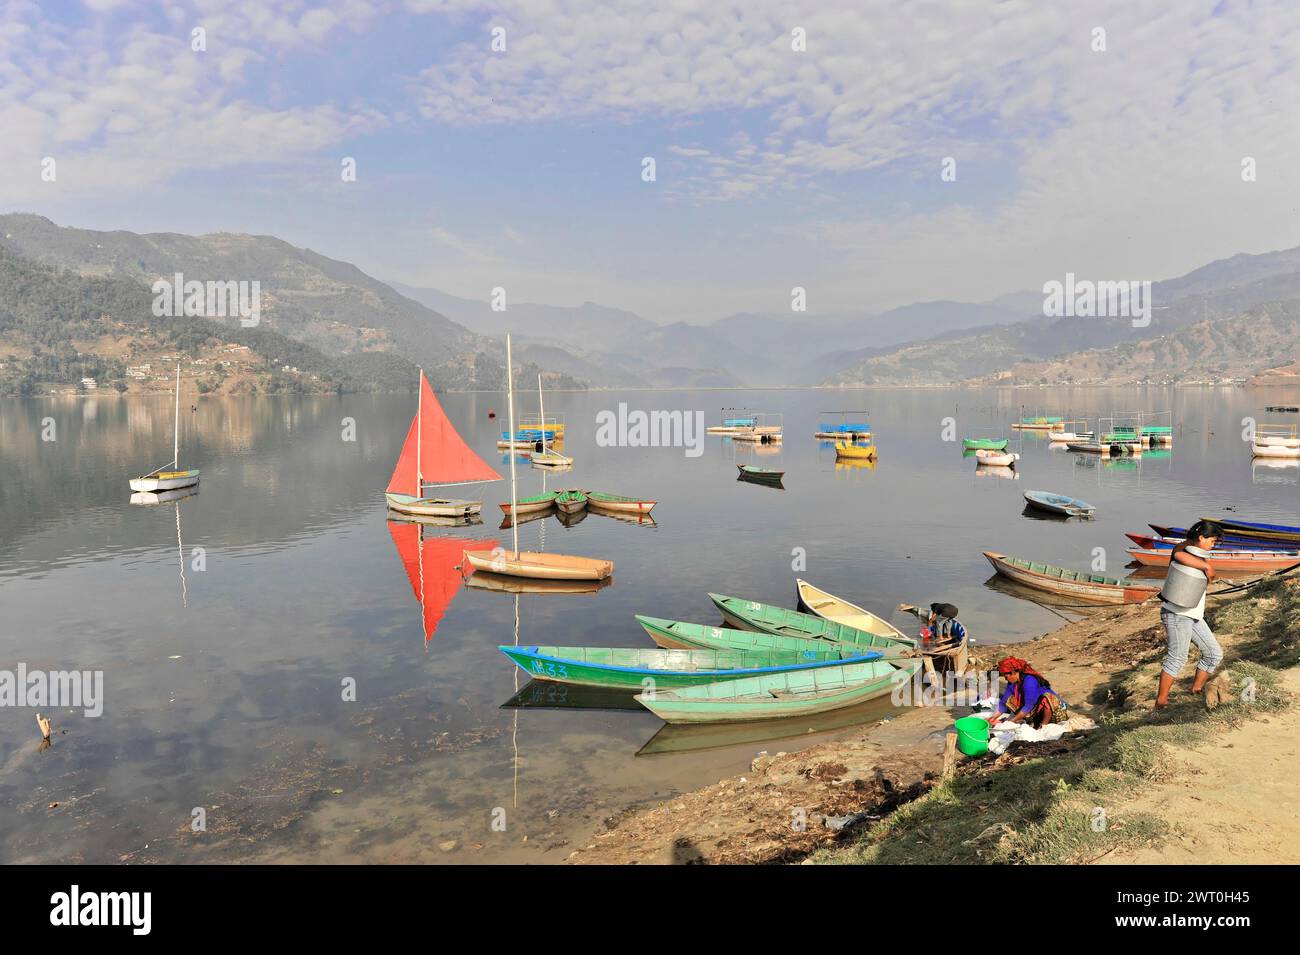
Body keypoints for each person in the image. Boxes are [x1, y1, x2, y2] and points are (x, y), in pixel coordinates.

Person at [1154, 520, 1225, 709]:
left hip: (1193, 614)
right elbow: (1178, 555)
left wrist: (1205, 565)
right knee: (1177, 657)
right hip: (1177, 614)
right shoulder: (1184, 550)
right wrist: (1207, 567)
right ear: (1200, 537)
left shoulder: (1197, 551)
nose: (1213, 545)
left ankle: (1196, 689)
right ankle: (1161, 702)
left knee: (1213, 653)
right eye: (1212, 541)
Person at [992, 657, 1067, 728]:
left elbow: (1029, 705)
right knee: (1010, 700)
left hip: (1054, 712)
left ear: (1013, 672)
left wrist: (1012, 721)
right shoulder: (1012, 683)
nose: (1006, 679)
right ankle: (1035, 723)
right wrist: (992, 718)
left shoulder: (1030, 681)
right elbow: (1004, 703)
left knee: (1046, 697)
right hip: (1035, 711)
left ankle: (1044, 726)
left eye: (1006, 677)